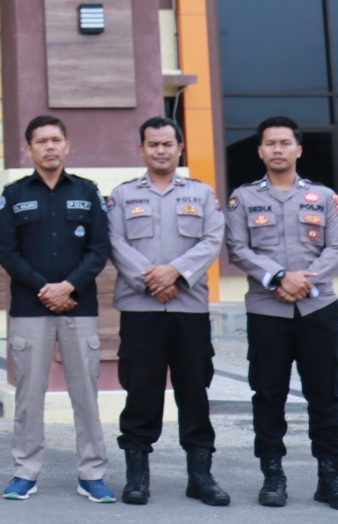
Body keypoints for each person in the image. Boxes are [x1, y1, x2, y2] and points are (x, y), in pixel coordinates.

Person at [225, 116, 338, 511]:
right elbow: (238, 249)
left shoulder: (323, 197)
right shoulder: (243, 199)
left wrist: (303, 282)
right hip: (267, 312)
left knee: (324, 394)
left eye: (285, 143)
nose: (278, 149)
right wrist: (280, 277)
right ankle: (273, 476)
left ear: (298, 149)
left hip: (318, 308)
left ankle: (330, 478)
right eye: (270, 143)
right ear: (260, 151)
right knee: (268, 395)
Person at [106, 116, 229, 506]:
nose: (160, 150)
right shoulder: (123, 196)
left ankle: (200, 476)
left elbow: (212, 239)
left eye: (167, 144)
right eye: (153, 144)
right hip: (140, 309)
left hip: (188, 308)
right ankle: (137, 477)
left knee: (194, 391)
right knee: (141, 392)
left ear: (180, 149)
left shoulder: (202, 194)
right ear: (141, 149)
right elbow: (114, 242)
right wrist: (152, 281)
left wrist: (175, 273)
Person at [0, 114, 114, 503]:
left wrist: (68, 286)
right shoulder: (14, 195)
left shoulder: (88, 191)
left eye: (55, 140)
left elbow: (100, 248)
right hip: (31, 308)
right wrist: (44, 289)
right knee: (29, 396)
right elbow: (6, 251)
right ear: (28, 149)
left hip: (80, 306)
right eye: (41, 141)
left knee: (86, 395)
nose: (49, 146)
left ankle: (92, 474)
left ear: (67, 145)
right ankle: (25, 472)